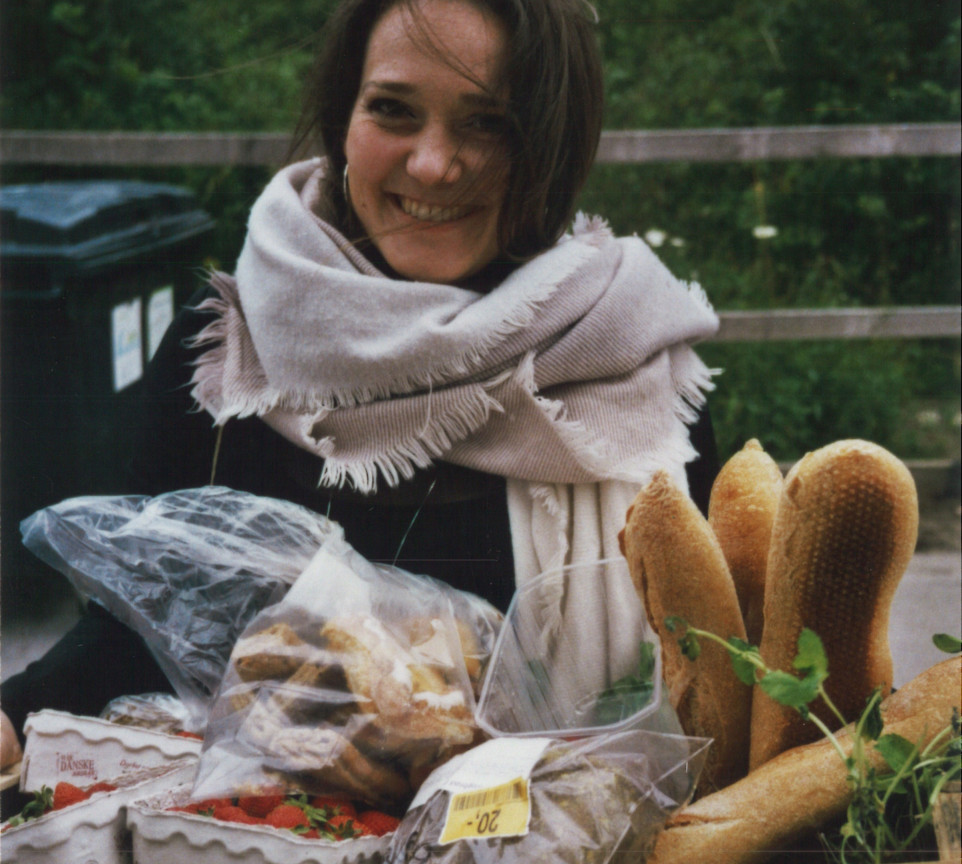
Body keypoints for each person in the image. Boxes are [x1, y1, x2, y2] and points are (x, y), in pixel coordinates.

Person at [1, 0, 720, 770]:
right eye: (393, 110)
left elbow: (717, 671)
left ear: (552, 142)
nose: (433, 165)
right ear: (344, 116)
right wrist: (11, 720)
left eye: (488, 124)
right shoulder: (229, 351)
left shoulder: (632, 370)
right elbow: (137, 634)